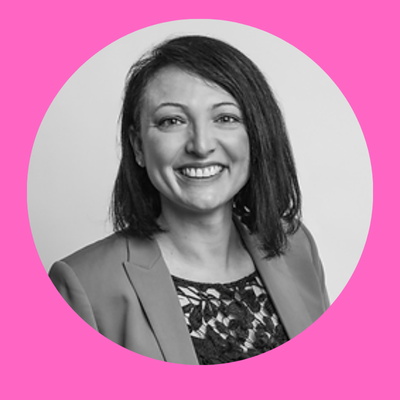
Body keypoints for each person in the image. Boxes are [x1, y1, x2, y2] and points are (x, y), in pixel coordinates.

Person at [49, 35, 330, 365]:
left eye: (225, 118)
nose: (201, 145)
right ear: (138, 146)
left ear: (255, 135)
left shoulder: (296, 245)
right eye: (172, 121)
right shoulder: (81, 285)